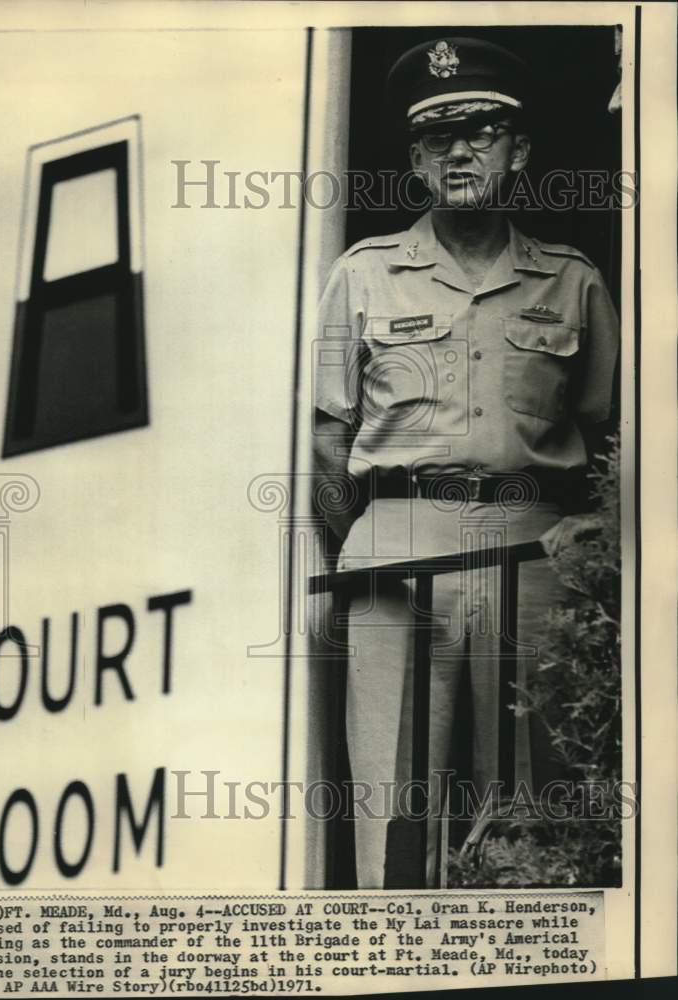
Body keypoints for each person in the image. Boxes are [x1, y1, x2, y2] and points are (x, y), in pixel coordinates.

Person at [312, 36, 619, 888]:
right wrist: (380, 526)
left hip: (537, 547)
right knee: (390, 812)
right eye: (438, 138)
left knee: (535, 800)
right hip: (398, 549)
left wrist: (579, 538)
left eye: (482, 132)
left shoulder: (572, 282)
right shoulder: (365, 275)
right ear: (414, 159)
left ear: (517, 152)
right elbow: (328, 439)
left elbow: (608, 441)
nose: (460, 151)